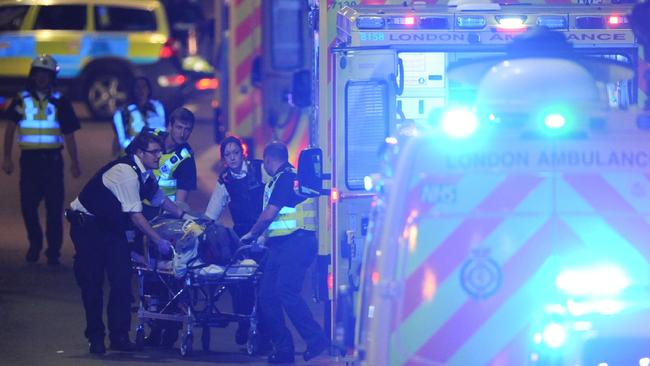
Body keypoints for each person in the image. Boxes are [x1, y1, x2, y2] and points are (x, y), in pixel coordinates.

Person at [67, 130, 191, 355]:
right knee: (92, 284)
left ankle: (120, 336)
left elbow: (160, 200)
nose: (158, 156)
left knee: (122, 279)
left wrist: (185, 217)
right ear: (139, 153)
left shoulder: (146, 175)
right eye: (154, 152)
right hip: (88, 227)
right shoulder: (127, 173)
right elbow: (136, 215)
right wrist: (159, 240)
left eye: (159, 152)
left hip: (111, 227)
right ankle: (95, 337)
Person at [241, 142, 328, 364]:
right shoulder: (278, 181)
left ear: (268, 160)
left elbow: (269, 215)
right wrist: (264, 239)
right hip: (280, 246)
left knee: (286, 291)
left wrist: (251, 234)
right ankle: (283, 351)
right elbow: (278, 221)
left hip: (297, 243)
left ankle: (316, 339)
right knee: (267, 297)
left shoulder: (287, 178)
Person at [2, 54, 81, 265]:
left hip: (52, 161)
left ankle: (53, 252)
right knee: (28, 206)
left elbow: (69, 134)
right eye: (38, 73)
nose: (41, 78)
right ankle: (35, 243)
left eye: (45, 74)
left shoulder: (60, 101)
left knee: (54, 209)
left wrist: (75, 162)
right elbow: (10, 129)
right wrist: (6, 158)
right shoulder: (21, 99)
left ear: (52, 77)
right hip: (29, 161)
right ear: (32, 75)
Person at [141, 107, 197, 348]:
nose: (183, 133)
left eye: (187, 129)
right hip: (140, 214)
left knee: (168, 276)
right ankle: (154, 326)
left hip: (166, 221)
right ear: (170, 125)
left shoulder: (185, 159)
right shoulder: (150, 138)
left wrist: (172, 226)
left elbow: (181, 201)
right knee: (148, 275)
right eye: (179, 127)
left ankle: (170, 328)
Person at [204, 135, 267, 345]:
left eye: (235, 153)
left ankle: (264, 333)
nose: (232, 158)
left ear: (243, 153)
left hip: (265, 234)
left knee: (265, 288)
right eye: (227, 154)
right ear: (223, 158)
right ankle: (244, 324)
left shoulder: (261, 170)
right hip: (242, 238)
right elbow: (212, 213)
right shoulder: (225, 181)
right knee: (240, 285)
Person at [112, 76, 166, 156]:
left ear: (149, 89)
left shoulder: (157, 107)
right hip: (133, 155)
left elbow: (163, 129)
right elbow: (122, 142)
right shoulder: (122, 112)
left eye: (144, 86)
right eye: (137, 87)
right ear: (132, 90)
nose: (141, 90)